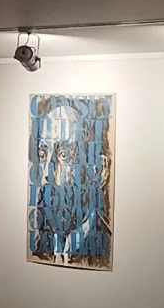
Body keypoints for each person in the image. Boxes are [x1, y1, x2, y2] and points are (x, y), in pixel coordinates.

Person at [29, 98, 112, 268]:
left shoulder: (106, 248)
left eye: (63, 155)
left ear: (98, 170)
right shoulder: (40, 245)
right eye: (43, 154)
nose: (46, 175)